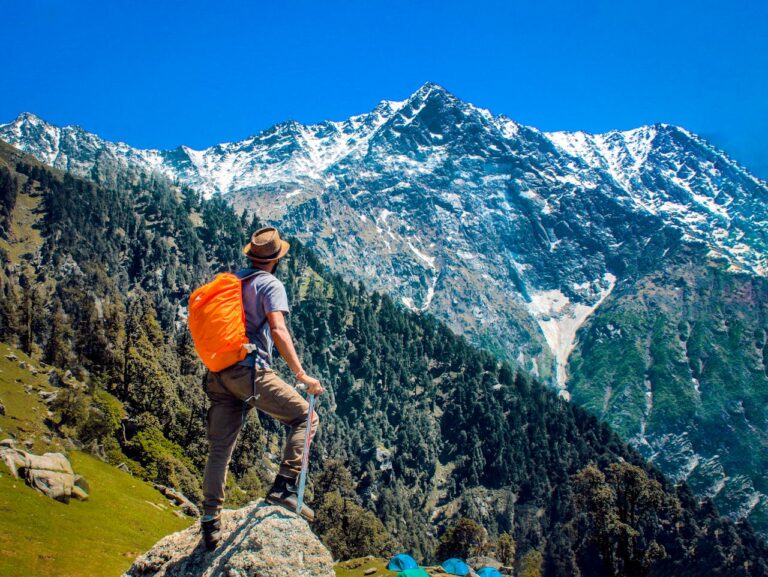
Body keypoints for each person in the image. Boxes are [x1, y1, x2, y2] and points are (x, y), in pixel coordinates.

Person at [200, 226, 324, 551]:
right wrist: (302, 374)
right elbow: (278, 329)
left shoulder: (235, 281)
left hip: (219, 373)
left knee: (219, 450)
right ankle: (283, 488)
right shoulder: (270, 284)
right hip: (249, 372)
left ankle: (210, 521)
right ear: (276, 260)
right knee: (305, 418)